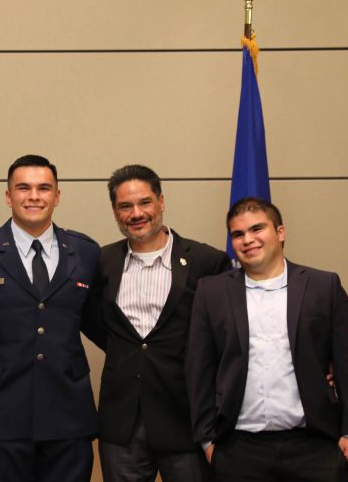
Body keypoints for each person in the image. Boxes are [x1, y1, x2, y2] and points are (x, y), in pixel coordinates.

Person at [186, 197, 348, 482]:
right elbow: (198, 368)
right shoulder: (211, 292)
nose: (247, 239)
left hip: (315, 447)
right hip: (238, 450)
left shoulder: (323, 286)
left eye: (257, 229)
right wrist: (207, 441)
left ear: (280, 232)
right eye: (238, 234)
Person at [0, 154, 106, 482]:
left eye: (44, 188)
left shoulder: (86, 251)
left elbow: (101, 326)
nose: (34, 196)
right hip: (0, 416)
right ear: (8, 196)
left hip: (69, 416)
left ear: (57, 196)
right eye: (23, 188)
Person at [97, 164, 230, 482]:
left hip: (186, 419)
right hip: (122, 423)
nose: (136, 213)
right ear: (115, 212)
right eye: (125, 206)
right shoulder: (101, 262)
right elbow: (97, 323)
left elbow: (228, 333)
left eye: (145, 202)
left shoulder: (206, 261)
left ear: (161, 202)